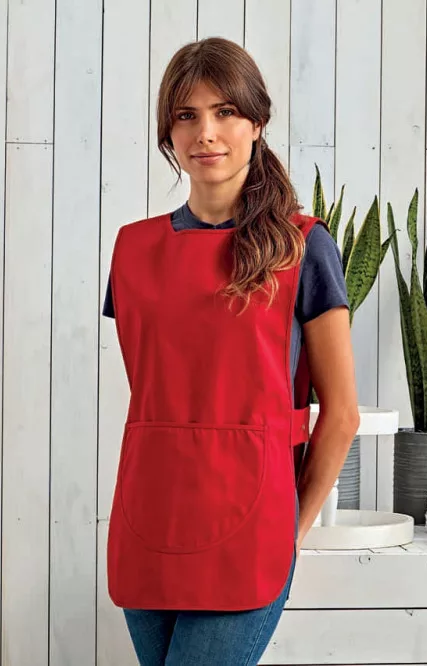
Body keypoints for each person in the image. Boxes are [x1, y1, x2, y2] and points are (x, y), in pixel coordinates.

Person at [102, 37, 360, 665]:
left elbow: (342, 414)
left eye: (225, 112)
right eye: (186, 115)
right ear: (168, 131)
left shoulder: (303, 246)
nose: (206, 133)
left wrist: (292, 529)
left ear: (257, 122)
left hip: (251, 526)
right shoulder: (133, 251)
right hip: (150, 516)